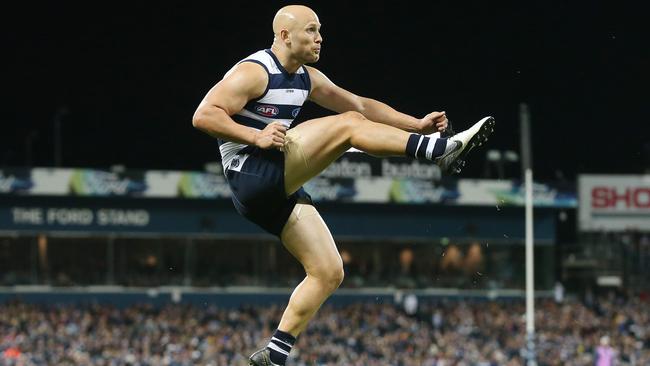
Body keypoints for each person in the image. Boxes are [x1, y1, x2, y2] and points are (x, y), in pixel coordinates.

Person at [192, 5, 494, 365]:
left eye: (320, 31)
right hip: (252, 172)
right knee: (347, 125)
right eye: (311, 30)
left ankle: (274, 354)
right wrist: (254, 136)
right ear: (285, 36)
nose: (320, 38)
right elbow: (204, 115)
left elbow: (361, 104)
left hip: (271, 189)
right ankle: (439, 152)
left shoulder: (308, 78)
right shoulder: (254, 72)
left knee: (328, 271)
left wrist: (414, 124)